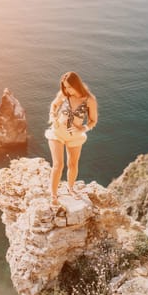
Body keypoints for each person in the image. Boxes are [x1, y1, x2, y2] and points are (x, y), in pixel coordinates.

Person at [45, 71, 98, 207]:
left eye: (69, 87)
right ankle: (53, 195)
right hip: (57, 132)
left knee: (73, 164)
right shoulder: (64, 94)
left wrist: (83, 128)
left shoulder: (89, 100)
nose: (67, 90)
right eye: (65, 87)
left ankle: (70, 188)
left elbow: (93, 121)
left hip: (74, 136)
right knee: (58, 164)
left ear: (77, 85)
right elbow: (54, 105)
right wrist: (52, 117)